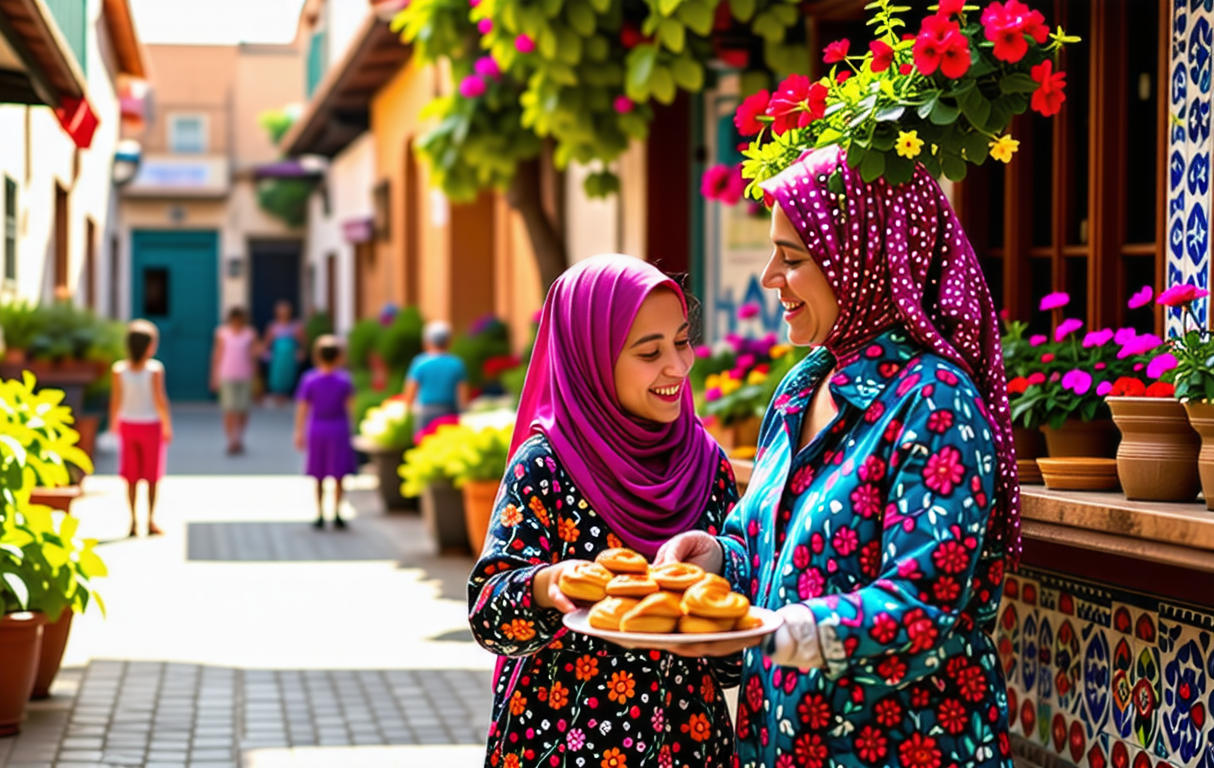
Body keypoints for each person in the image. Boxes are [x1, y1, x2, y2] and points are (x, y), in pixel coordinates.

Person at [656, 145, 1019, 767]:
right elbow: (763, 554)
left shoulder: (935, 404)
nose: (770, 276)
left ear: (864, 259)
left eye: (792, 257)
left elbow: (921, 607)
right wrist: (716, 560)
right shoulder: (802, 388)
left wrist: (782, 632)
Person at [468, 254, 741, 768]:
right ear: (589, 358)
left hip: (687, 741)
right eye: (649, 351)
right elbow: (489, 614)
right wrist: (552, 585)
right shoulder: (547, 465)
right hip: (561, 739)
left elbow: (734, 654)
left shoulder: (707, 466)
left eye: (682, 341)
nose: (678, 366)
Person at [109, 320, 173, 537]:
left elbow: (115, 399)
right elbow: (160, 400)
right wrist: (167, 425)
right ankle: (150, 520)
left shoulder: (118, 370)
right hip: (151, 425)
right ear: (149, 346)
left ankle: (134, 522)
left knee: (132, 477)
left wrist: (113, 424)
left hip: (128, 424)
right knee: (152, 476)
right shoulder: (154, 370)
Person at [293, 335, 357, 529]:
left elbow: (303, 408)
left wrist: (298, 431)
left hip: (317, 428)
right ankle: (337, 512)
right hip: (338, 428)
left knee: (319, 473)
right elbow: (351, 408)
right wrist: (353, 430)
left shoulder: (310, 379)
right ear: (338, 357)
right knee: (339, 473)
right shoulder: (344, 380)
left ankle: (320, 513)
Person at [404, 321, 468, 434]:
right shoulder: (457, 364)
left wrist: (408, 411)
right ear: (448, 341)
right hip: (450, 413)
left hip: (426, 413)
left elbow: (410, 393)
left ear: (427, 341)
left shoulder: (420, 363)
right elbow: (463, 396)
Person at [211, 307, 257, 455]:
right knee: (229, 410)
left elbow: (253, 356)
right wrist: (214, 376)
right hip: (227, 375)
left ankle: (240, 438)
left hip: (245, 375)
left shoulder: (249, 333)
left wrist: (256, 376)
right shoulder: (222, 333)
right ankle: (231, 440)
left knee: (243, 410)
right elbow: (217, 354)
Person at [262, 300, 305, 406]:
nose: (283, 314)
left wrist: (301, 351)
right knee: (277, 376)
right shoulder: (273, 326)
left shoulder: (295, 325)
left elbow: (302, 340)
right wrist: (265, 352)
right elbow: (267, 342)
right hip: (278, 357)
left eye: (285, 311)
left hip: (290, 356)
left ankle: (288, 396)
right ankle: (278, 397)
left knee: (289, 375)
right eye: (281, 311)